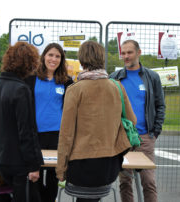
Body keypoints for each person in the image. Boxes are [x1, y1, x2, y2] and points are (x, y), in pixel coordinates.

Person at [56, 40, 136, 202]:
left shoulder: (75, 90)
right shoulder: (117, 87)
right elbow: (132, 120)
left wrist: (61, 169)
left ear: (81, 60)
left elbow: (66, 134)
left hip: (81, 165)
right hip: (109, 164)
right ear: (102, 58)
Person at [109, 39, 166, 202]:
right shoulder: (114, 78)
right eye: (123, 53)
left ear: (138, 53)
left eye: (129, 52)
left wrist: (154, 132)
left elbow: (160, 105)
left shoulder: (152, 77)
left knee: (149, 182)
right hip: (122, 138)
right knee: (125, 182)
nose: (126, 56)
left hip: (145, 138)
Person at [0, 42, 44, 202]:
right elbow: (27, 131)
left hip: (2, 159)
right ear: (29, 63)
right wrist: (33, 166)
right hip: (20, 163)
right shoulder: (21, 90)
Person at [25, 43, 73, 202]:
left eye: (57, 56)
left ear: (61, 60)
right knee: (34, 176)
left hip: (57, 135)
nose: (53, 59)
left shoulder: (66, 82)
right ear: (44, 56)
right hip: (35, 134)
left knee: (53, 177)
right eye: (50, 55)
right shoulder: (31, 79)